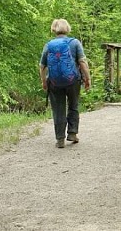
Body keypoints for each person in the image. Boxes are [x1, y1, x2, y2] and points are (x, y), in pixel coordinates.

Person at [39, 18, 91, 149]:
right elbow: (83, 62)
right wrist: (87, 78)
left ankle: (60, 139)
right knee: (73, 105)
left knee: (58, 110)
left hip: (54, 82)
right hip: (73, 81)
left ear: (54, 29)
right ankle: (72, 133)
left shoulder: (49, 45)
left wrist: (44, 81)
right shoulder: (75, 43)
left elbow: (42, 66)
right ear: (67, 29)